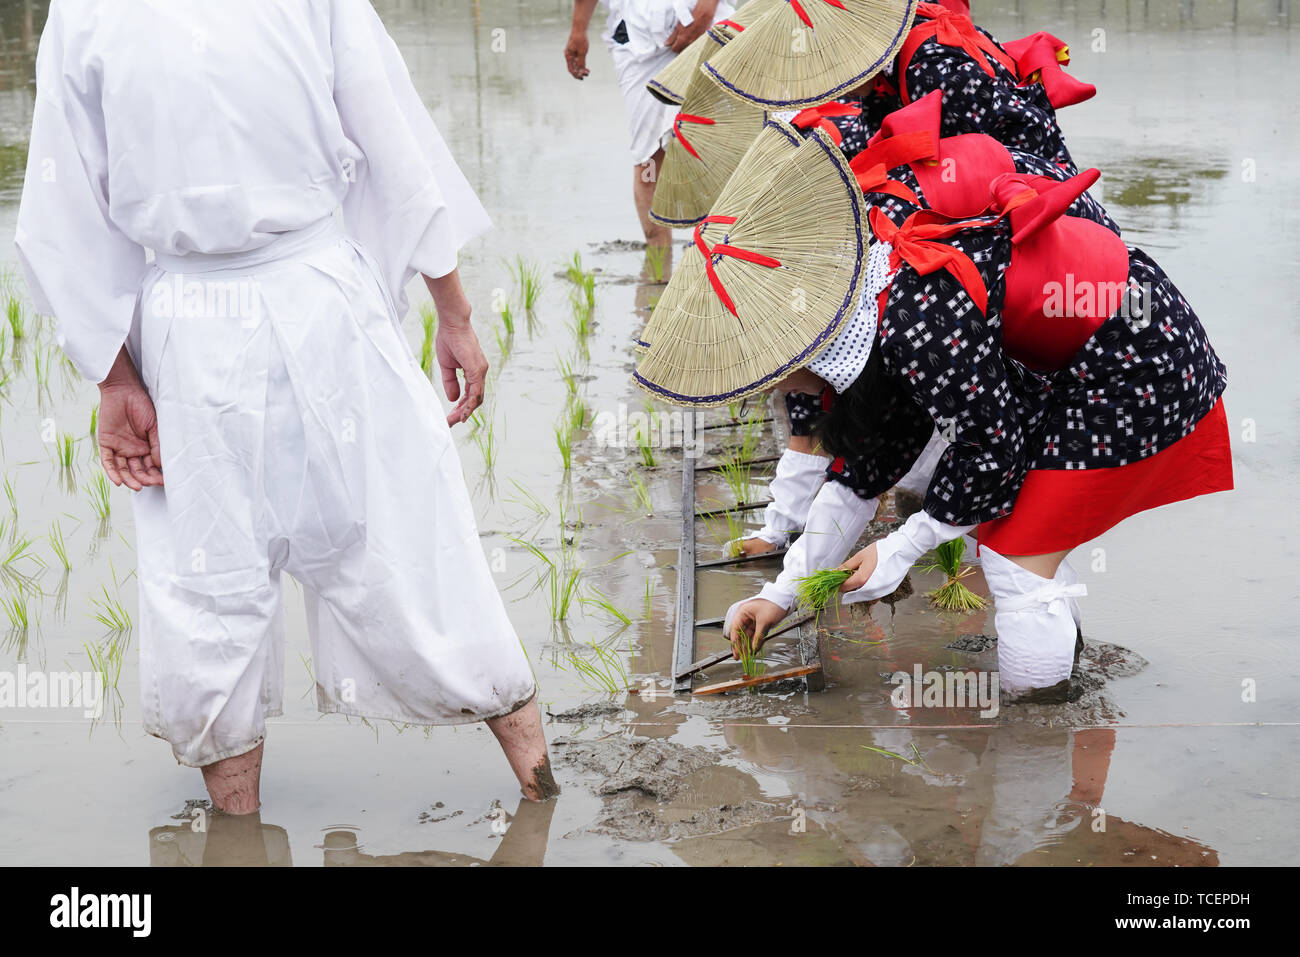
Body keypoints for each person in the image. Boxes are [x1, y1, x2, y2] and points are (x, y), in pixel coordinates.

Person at [15, 0, 556, 812]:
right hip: (316, 300)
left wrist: (114, 375)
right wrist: (452, 308)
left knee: (208, 585)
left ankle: (238, 835)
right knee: (410, 535)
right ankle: (539, 785)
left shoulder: (85, 11)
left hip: (195, 322)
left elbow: (67, 216)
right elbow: (393, 139)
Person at [722, 170, 1232, 696]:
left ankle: (1040, 722)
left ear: (806, 346)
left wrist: (898, 550)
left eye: (770, 373)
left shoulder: (913, 327)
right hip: (1084, 360)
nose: (773, 389)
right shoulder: (874, 308)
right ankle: (1061, 665)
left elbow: (992, 450)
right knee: (1019, 530)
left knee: (1014, 554)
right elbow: (860, 477)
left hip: (1139, 364)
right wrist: (780, 594)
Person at [565, 0, 734, 248]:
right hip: (638, 40)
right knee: (648, 160)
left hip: (709, 25)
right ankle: (657, 272)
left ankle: (728, 264)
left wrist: (705, 10)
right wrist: (578, 29)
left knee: (726, 150)